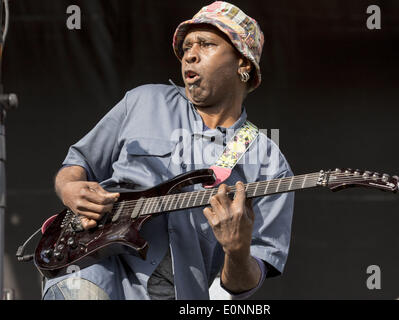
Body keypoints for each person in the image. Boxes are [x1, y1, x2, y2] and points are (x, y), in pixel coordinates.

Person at [43, 1, 294, 300]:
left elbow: (242, 285)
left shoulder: (267, 161)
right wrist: (70, 188)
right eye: (187, 46)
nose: (190, 54)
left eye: (206, 44)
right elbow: (78, 162)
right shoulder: (143, 101)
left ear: (243, 64)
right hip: (89, 268)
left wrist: (237, 251)